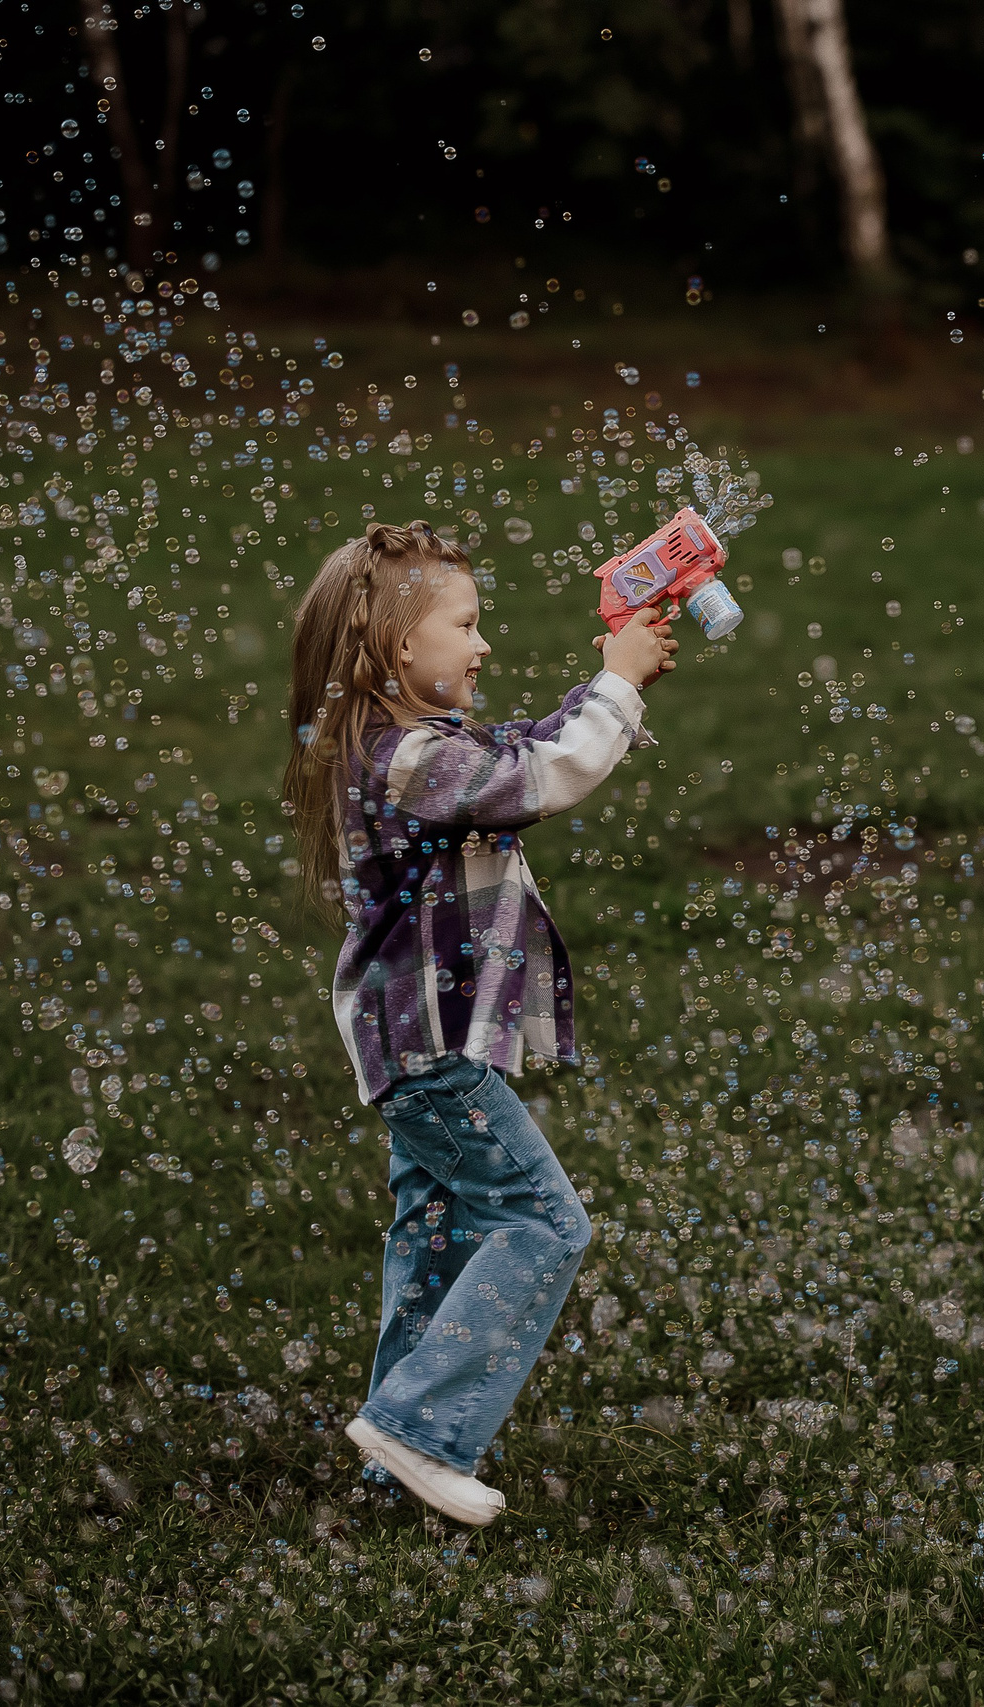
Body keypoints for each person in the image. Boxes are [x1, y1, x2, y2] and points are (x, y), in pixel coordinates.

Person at [282, 519, 679, 1523]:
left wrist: (607, 689)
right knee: (543, 1224)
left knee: (438, 1239)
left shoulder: (417, 748)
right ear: (395, 647)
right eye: (466, 624)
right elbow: (538, 780)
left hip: (414, 1043)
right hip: (427, 1048)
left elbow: (517, 754)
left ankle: (393, 1448)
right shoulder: (410, 762)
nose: (483, 643)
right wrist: (620, 689)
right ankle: (420, 1428)